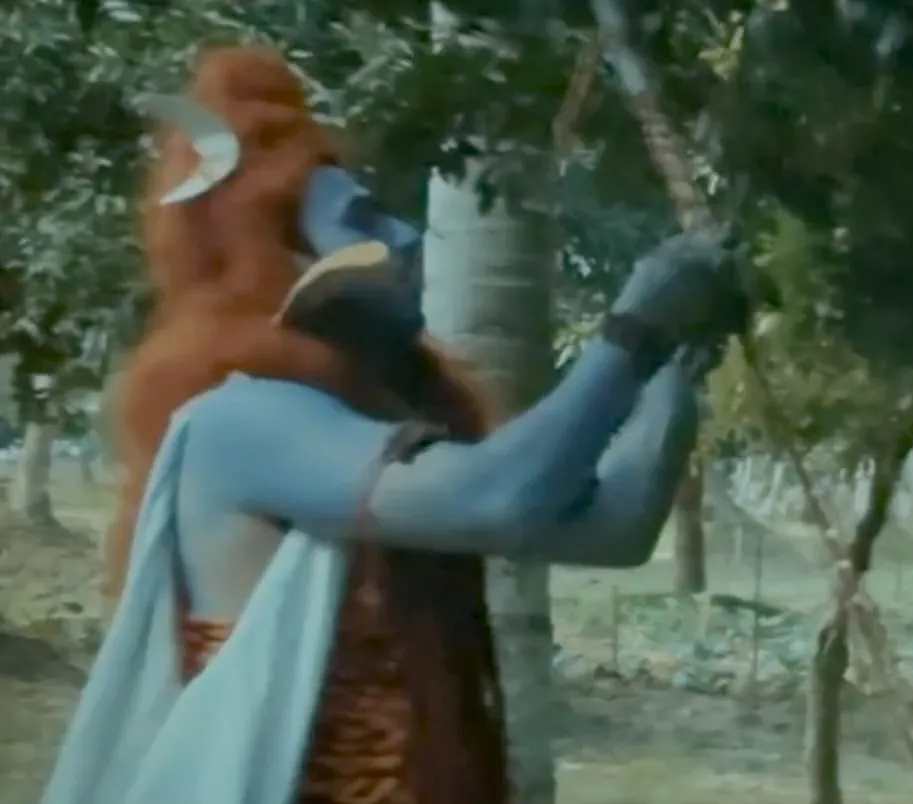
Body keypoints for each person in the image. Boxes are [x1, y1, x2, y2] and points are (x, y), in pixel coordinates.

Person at [41, 45, 745, 804]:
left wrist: (673, 364)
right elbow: (500, 500)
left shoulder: (360, 424)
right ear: (277, 248)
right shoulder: (239, 420)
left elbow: (610, 530)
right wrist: (634, 332)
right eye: (360, 219)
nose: (405, 238)